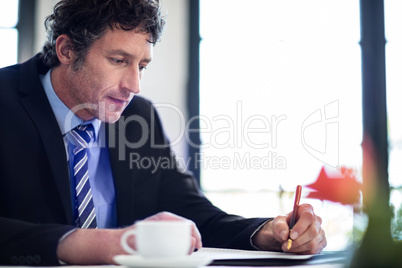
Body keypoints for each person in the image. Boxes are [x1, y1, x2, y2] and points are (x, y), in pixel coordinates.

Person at [0, 0, 326, 265]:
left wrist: (266, 233)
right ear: (67, 50)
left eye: (141, 66)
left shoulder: (138, 116)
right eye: (118, 60)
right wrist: (96, 244)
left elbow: (198, 216)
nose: (134, 86)